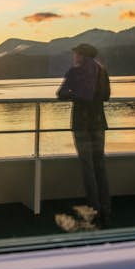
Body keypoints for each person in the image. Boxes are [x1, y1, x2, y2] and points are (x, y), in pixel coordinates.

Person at [56, 43, 112, 228]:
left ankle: (94, 211)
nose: (74, 57)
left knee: (88, 168)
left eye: (75, 54)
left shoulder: (75, 72)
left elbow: (61, 93)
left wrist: (75, 93)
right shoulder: (102, 71)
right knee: (100, 166)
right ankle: (106, 209)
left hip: (82, 124)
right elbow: (106, 95)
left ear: (81, 56)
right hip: (98, 123)